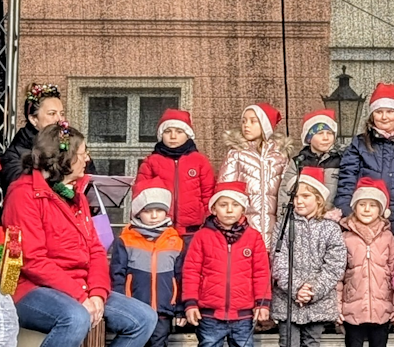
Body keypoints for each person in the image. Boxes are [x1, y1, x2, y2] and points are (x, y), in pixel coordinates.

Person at [2, 123, 157, 347]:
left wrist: (98, 293)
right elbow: (31, 259)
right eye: (83, 154)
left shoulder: (78, 197)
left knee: (144, 317)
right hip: (32, 289)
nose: (87, 160)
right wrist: (80, 295)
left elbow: (97, 251)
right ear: (63, 159)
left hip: (81, 289)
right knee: (74, 318)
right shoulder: (24, 194)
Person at [182, 181, 273, 347]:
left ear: (243, 209)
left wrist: (262, 304)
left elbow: (261, 272)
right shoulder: (202, 237)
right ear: (214, 209)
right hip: (210, 313)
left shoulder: (253, 238)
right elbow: (190, 270)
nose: (229, 210)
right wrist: (190, 303)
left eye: (235, 205)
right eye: (223, 205)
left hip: (243, 314)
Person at [271, 167, 349, 347]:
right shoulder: (284, 226)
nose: (299, 201)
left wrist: (312, 290)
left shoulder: (329, 228)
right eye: (296, 196)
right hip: (288, 300)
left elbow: (335, 264)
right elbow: (278, 260)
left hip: (316, 302)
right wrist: (295, 288)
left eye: (306, 196)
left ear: (319, 199)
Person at [110, 179, 185, 347]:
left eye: (159, 210)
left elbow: (181, 276)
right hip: (134, 313)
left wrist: (180, 306)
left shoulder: (175, 240)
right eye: (148, 210)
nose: (154, 216)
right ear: (138, 212)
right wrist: (121, 304)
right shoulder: (126, 240)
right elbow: (117, 275)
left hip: (162, 312)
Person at [337, 178, 394, 347]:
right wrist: (337, 306)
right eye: (362, 204)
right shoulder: (345, 238)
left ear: (381, 210)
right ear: (354, 207)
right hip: (353, 308)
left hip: (381, 309)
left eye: (372, 205)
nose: (366, 209)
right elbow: (338, 276)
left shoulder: (388, 239)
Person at [336, 83, 394, 237]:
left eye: (390, 111)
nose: (384, 117)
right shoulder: (359, 144)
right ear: (372, 115)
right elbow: (346, 182)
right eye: (379, 112)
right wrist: (348, 215)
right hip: (365, 222)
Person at [219, 103, 288, 247]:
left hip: (274, 229)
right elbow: (225, 191)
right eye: (244, 121)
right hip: (244, 229)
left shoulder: (280, 156)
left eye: (253, 121)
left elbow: (285, 194)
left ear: (265, 125)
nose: (246, 125)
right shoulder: (236, 154)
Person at [136, 108, 214, 232]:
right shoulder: (151, 162)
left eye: (179, 132)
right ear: (161, 135)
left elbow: (208, 194)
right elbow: (140, 194)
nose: (173, 136)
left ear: (187, 135)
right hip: (160, 227)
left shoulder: (199, 161)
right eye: (168, 131)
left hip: (193, 229)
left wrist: (207, 219)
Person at [0, 83, 68, 190]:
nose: (60, 119)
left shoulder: (69, 143)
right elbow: (23, 190)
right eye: (52, 114)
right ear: (33, 119)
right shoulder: (15, 154)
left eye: (62, 113)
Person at [280, 110, 343, 216]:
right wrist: (283, 218)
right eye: (320, 133)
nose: (326, 138)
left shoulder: (340, 160)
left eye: (330, 133)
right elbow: (285, 191)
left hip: (330, 218)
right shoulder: (298, 161)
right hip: (301, 217)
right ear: (308, 138)